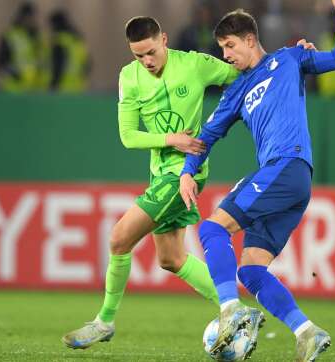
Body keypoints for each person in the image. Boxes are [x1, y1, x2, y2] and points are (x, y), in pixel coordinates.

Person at [179, 1, 335, 360]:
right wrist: (186, 171)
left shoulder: (290, 58)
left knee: (211, 230)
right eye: (222, 48)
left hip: (286, 166)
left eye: (230, 46)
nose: (226, 55)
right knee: (253, 270)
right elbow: (206, 137)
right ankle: (307, 332)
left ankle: (230, 311)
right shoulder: (236, 92)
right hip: (292, 181)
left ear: (250, 39)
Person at [61, 15, 239, 349]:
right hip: (162, 173)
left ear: (164, 40)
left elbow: (243, 72)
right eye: (138, 55)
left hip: (187, 172)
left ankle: (104, 322)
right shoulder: (129, 78)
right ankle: (235, 308)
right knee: (171, 258)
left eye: (151, 52)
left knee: (118, 239)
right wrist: (172, 139)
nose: (147, 61)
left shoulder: (196, 65)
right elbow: (128, 136)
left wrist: (288, 64)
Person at [0, 2, 44, 92]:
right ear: (23, 17)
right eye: (31, 17)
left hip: (33, 89)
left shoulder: (37, 37)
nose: (33, 20)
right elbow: (0, 62)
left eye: (34, 17)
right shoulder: (10, 35)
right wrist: (14, 74)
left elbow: (40, 60)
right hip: (14, 88)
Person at [47, 9, 90, 92]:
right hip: (79, 87)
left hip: (62, 87)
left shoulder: (59, 41)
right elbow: (88, 64)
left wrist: (52, 86)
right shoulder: (77, 40)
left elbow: (58, 66)